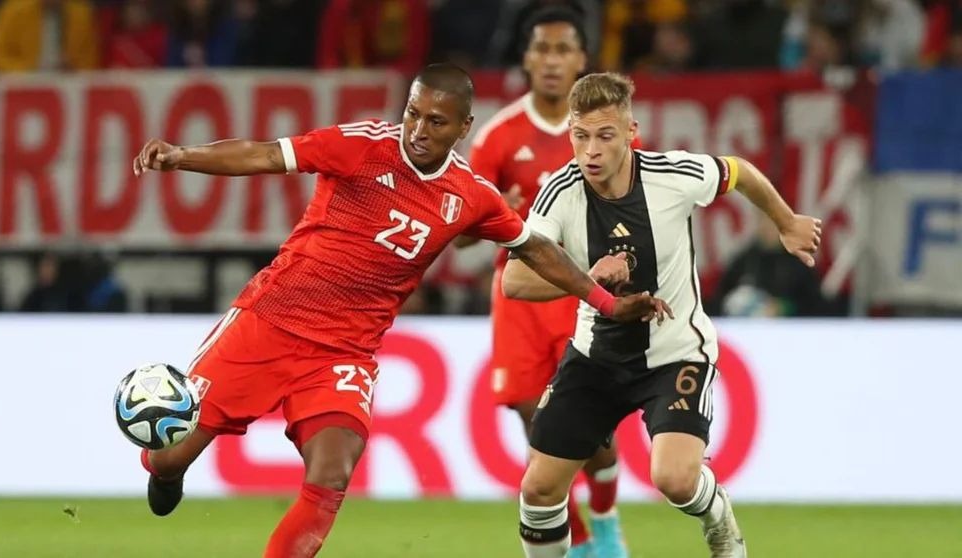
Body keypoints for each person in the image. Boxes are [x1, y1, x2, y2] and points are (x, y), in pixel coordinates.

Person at [130, 63, 670, 558]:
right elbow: (266, 154)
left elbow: (535, 249)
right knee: (171, 456)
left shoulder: (471, 195)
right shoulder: (360, 146)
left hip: (343, 353)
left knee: (333, 473)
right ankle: (164, 467)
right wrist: (184, 156)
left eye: (436, 121)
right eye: (413, 113)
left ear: (463, 127)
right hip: (268, 322)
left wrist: (603, 301)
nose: (418, 129)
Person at [502, 72, 822, 558]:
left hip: (675, 356)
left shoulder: (674, 176)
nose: (590, 151)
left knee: (673, 479)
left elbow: (739, 171)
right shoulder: (559, 193)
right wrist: (591, 280)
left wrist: (786, 222)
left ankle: (718, 518)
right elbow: (515, 281)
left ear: (630, 133)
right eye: (580, 136)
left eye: (604, 136)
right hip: (595, 360)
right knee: (539, 491)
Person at [467, 7, 638, 557]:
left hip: (584, 297)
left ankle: (607, 517)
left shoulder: (605, 130)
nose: (551, 61)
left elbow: (637, 204)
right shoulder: (498, 138)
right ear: (526, 58)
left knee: (594, 439)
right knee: (537, 425)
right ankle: (583, 543)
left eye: (563, 50)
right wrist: (493, 218)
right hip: (519, 296)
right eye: (542, 49)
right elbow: (459, 230)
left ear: (582, 60)